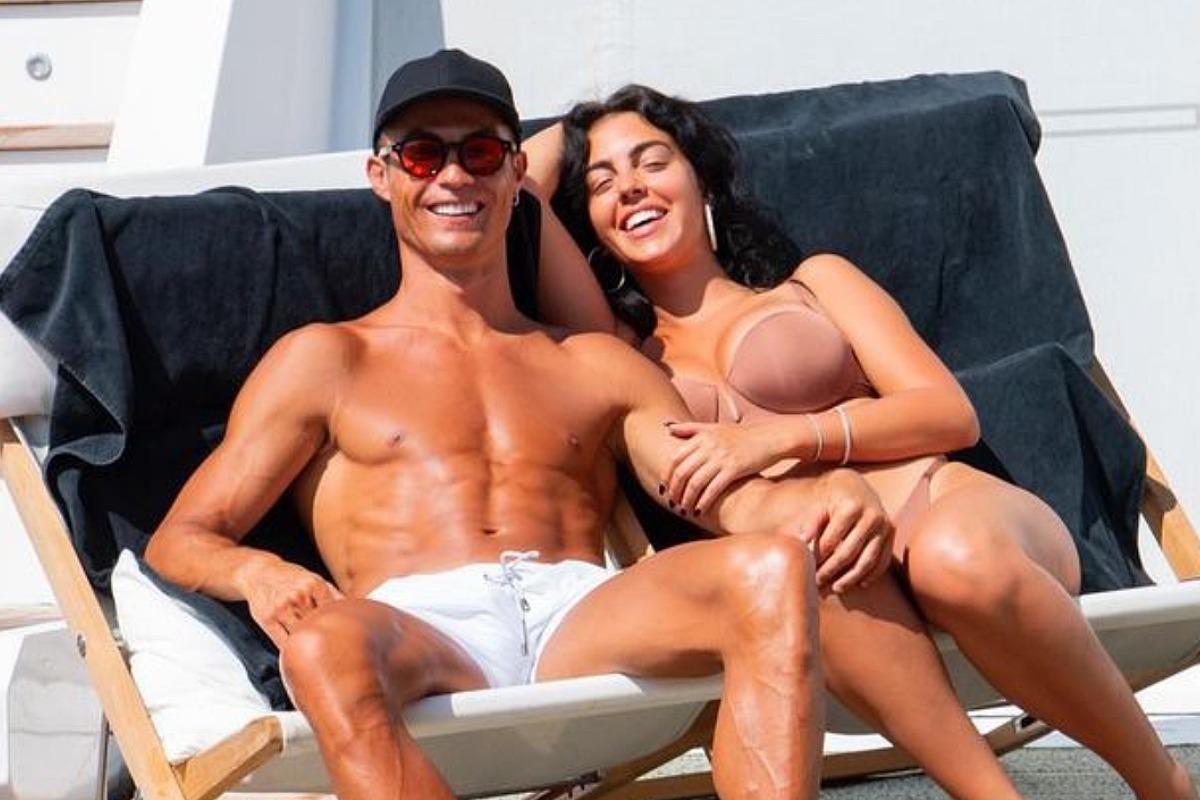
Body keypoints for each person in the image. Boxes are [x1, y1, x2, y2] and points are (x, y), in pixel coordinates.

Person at [139, 50, 904, 800]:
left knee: (770, 567)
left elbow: (723, 498)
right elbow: (183, 538)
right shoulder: (327, 359)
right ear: (381, 176)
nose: (453, 176)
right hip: (420, 627)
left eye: (479, 153)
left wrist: (824, 498)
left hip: (582, 614)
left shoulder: (594, 362)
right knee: (320, 648)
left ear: (515, 177)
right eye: (421, 155)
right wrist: (260, 573)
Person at [524, 83, 1198, 800]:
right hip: (829, 566)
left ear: (703, 181)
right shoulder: (616, 349)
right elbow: (519, 191)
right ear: (589, 224)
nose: (630, 188)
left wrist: (776, 441)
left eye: (653, 162)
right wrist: (573, 126)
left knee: (952, 559)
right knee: (802, 564)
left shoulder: (814, 284)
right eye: (602, 182)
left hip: (942, 501)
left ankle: (1163, 786)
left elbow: (948, 413)